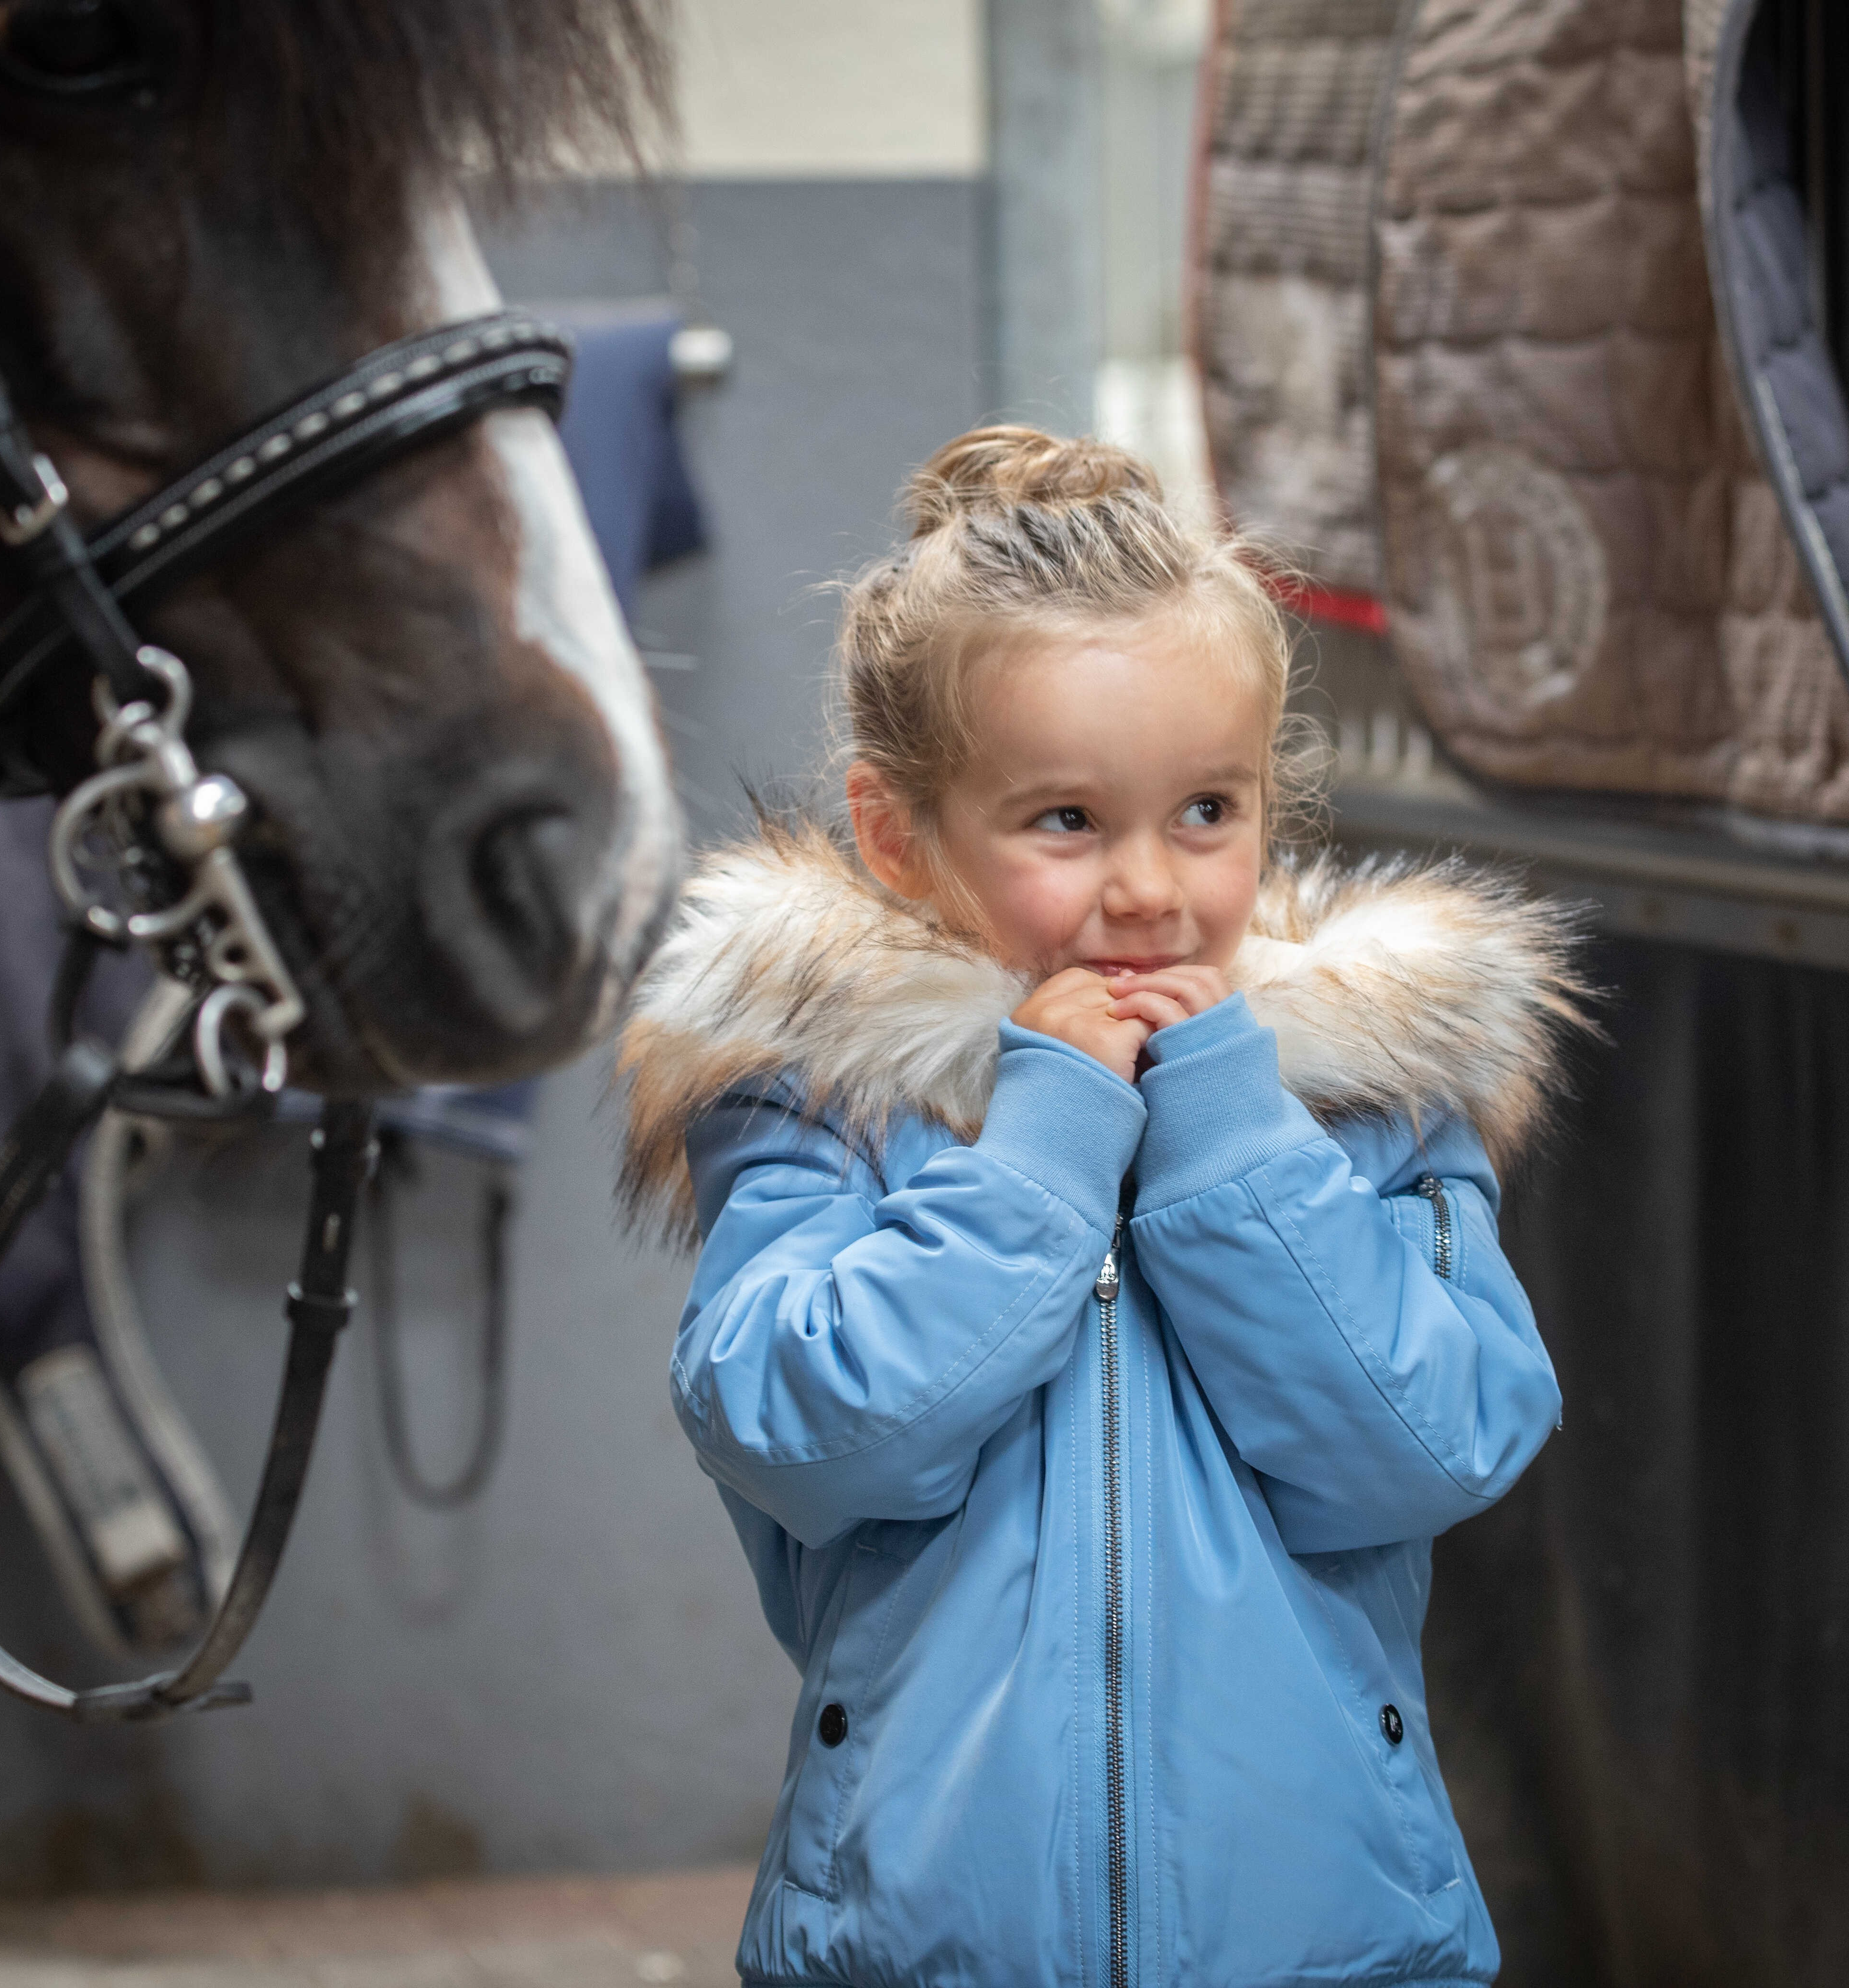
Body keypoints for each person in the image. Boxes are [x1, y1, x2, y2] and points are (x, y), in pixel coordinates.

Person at [620, 426, 1585, 1987]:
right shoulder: (824, 1101)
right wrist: (1044, 1147)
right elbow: (801, 1434)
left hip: (1325, 1947)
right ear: (898, 834)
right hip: (925, 1948)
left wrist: (1233, 1138)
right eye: (1066, 821)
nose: (1149, 887)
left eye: (1206, 810)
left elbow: (1434, 1444)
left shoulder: (1368, 1101)